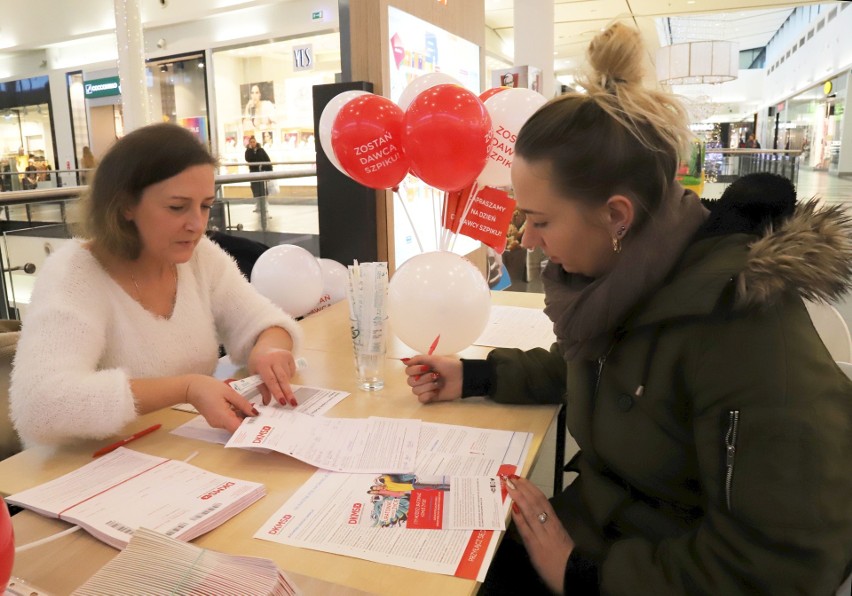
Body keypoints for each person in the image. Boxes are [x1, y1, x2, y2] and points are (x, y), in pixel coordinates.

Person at [403, 23, 852, 595]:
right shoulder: (627, 283)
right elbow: (594, 367)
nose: (526, 240)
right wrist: (476, 374)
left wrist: (584, 577)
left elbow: (783, 562)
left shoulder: (743, 327)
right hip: (611, 528)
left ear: (617, 217)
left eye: (540, 220)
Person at [10, 123, 303, 447]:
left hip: (170, 453)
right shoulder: (73, 274)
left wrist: (268, 350)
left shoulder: (198, 256)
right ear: (125, 205)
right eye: (177, 207)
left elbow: (264, 321)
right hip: (82, 474)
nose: (197, 224)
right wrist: (187, 388)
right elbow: (40, 405)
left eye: (205, 206)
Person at [245, 135, 272, 214]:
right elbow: (248, 159)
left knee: (263, 190)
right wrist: (250, 150)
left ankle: (264, 206)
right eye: (251, 142)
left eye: (254, 142)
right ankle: (258, 206)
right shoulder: (248, 151)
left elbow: (267, 160)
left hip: (261, 172)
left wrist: (269, 172)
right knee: (255, 189)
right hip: (253, 173)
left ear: (256, 142)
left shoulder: (261, 150)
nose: (252, 143)